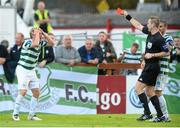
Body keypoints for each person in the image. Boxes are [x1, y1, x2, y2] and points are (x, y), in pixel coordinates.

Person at [120, 10, 169, 122]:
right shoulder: (149, 32)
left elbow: (167, 52)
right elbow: (138, 25)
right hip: (150, 66)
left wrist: (152, 55)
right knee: (150, 92)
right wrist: (127, 16)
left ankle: (147, 113)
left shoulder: (159, 38)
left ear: (153, 25)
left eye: (149, 23)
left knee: (138, 89)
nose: (147, 25)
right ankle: (161, 115)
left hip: (152, 67)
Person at [12, 28, 55, 121]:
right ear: (33, 35)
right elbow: (35, 44)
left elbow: (52, 43)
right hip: (22, 69)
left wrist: (44, 32)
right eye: (38, 33)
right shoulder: (27, 42)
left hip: (31, 70)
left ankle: (31, 115)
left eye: (40, 33)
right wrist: (36, 34)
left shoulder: (40, 43)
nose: (40, 34)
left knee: (36, 92)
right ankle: (15, 113)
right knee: (23, 92)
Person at [155, 20, 174, 122]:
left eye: (161, 26)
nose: (159, 28)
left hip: (162, 69)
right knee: (153, 92)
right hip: (154, 70)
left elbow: (168, 50)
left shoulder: (168, 38)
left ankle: (165, 116)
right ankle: (160, 115)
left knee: (158, 92)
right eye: (158, 26)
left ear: (166, 27)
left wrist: (154, 53)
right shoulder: (156, 38)